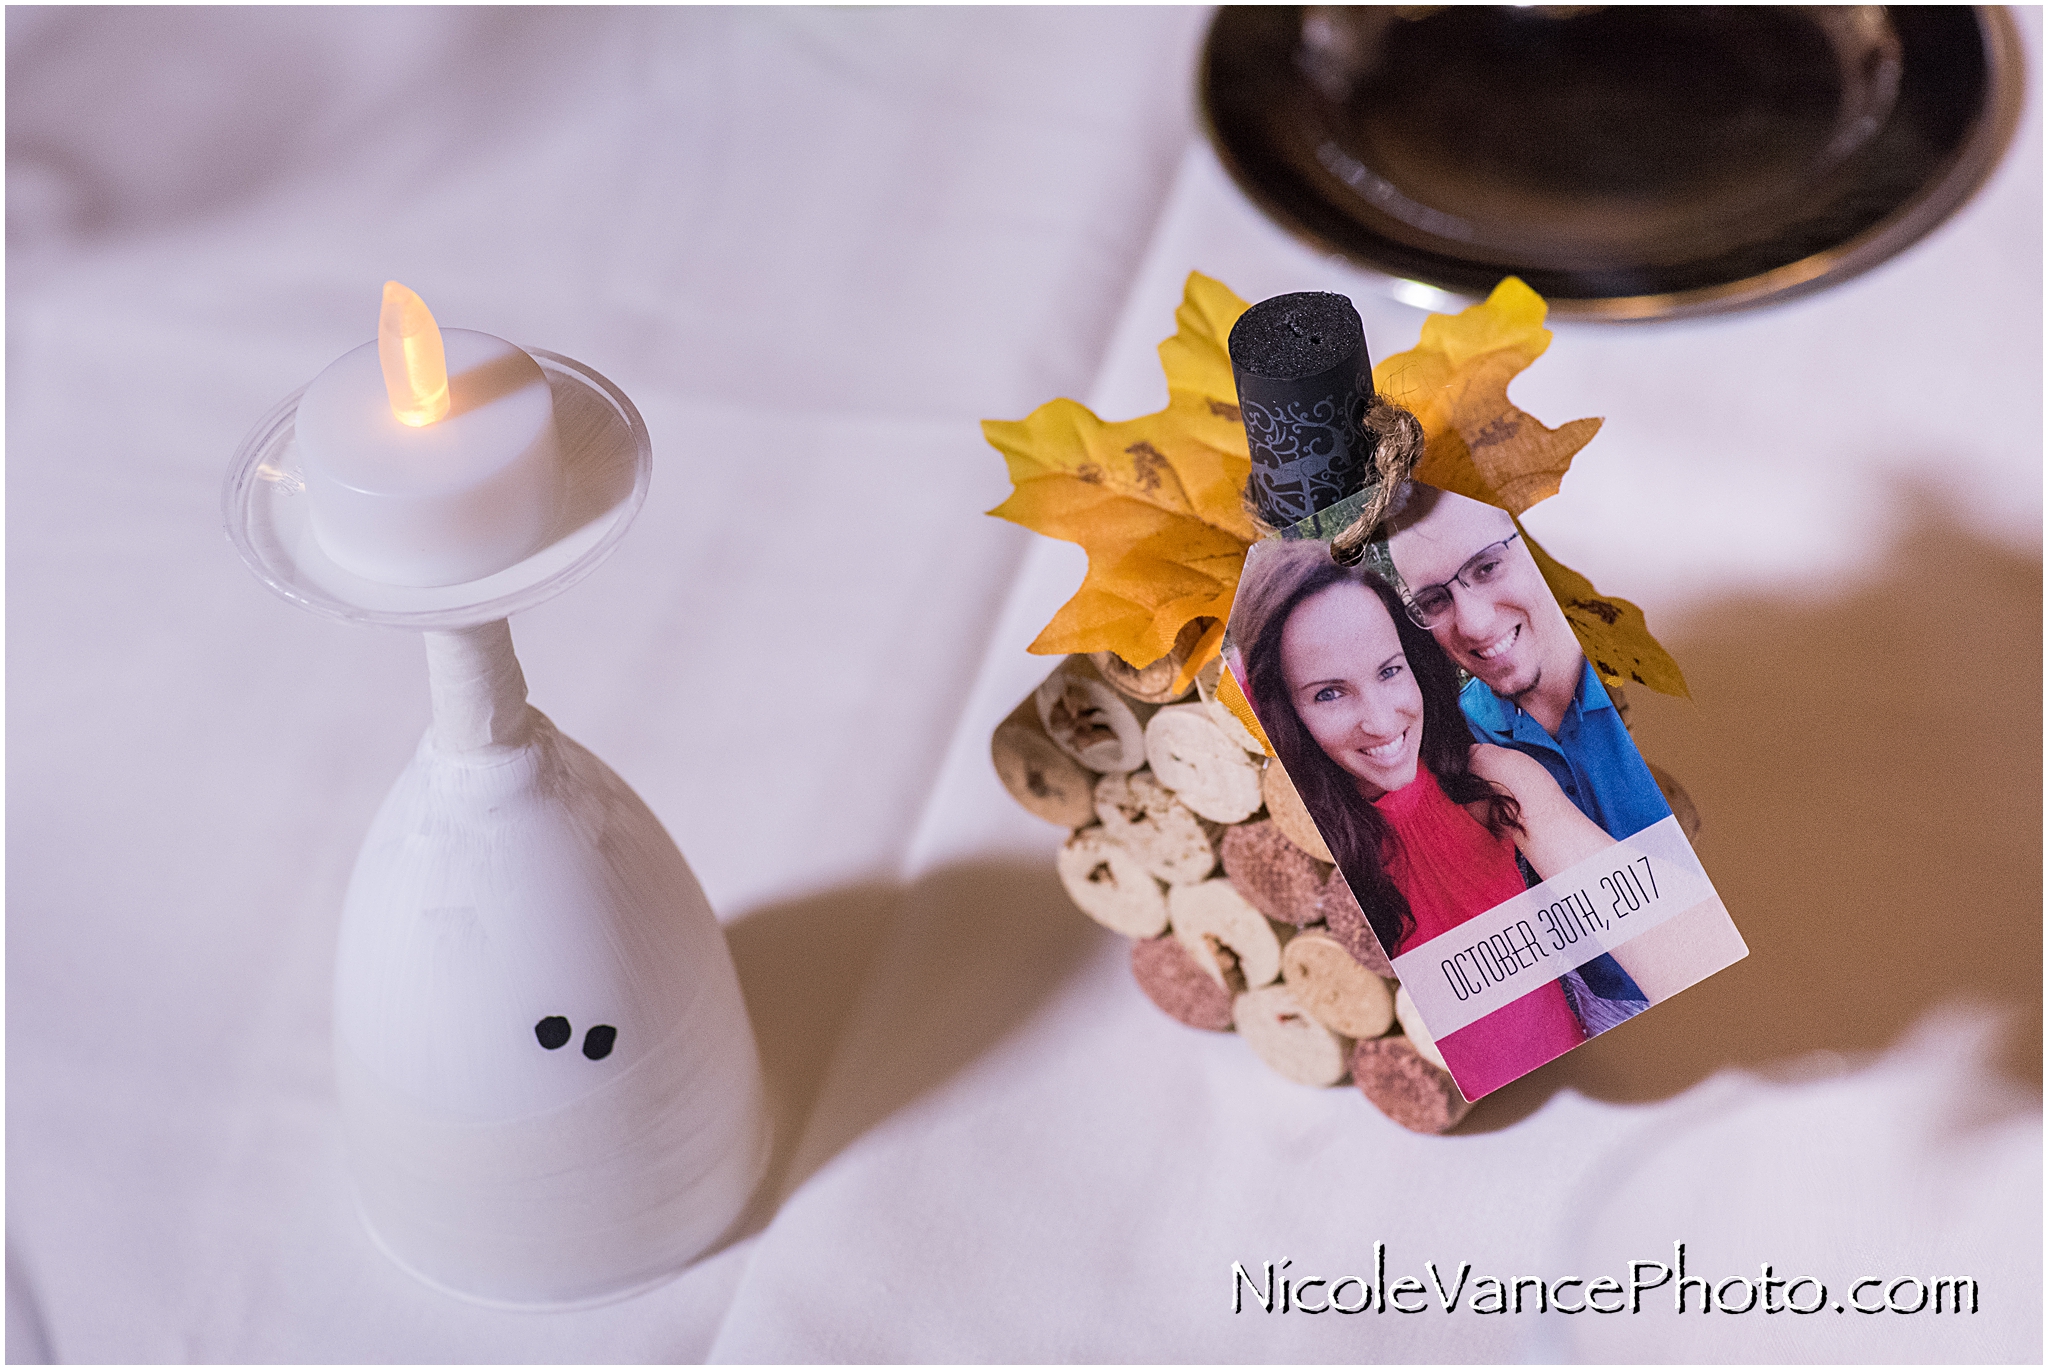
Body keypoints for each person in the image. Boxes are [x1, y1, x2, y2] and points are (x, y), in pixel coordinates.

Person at [1233, 540, 1625, 1096]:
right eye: (1328, 693)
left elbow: (1629, 897)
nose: (1380, 720)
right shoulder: (1312, 842)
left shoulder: (1486, 779)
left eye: (1390, 671)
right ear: (1283, 710)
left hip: (1576, 1070)